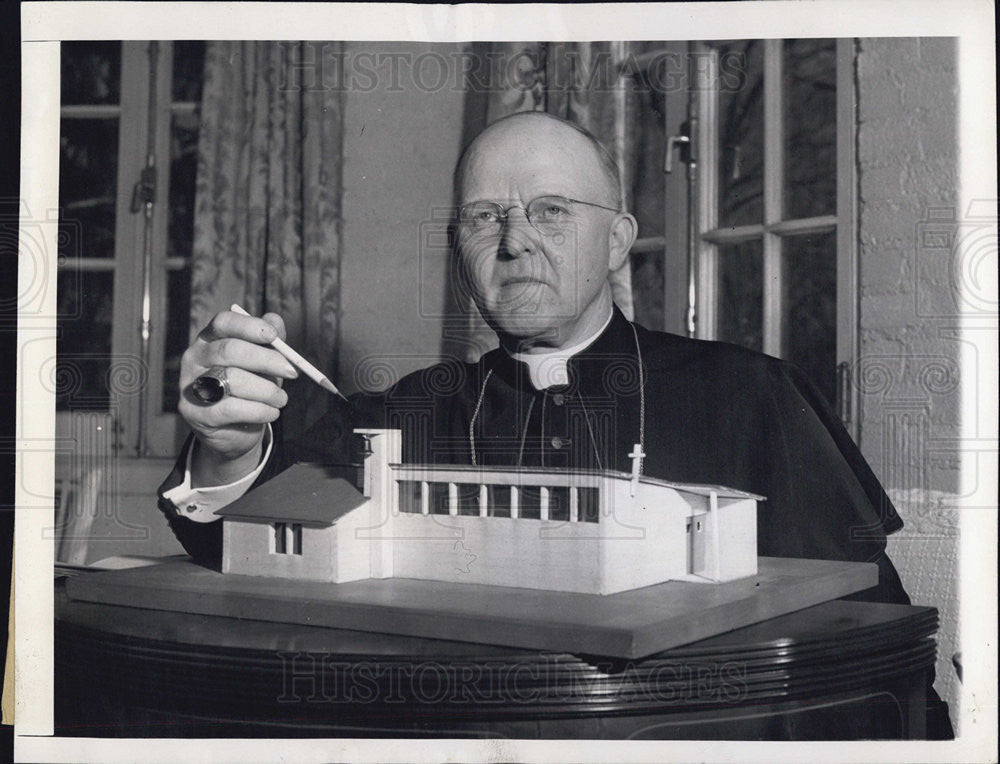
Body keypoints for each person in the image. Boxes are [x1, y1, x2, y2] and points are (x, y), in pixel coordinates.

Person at [159, 110, 952, 737]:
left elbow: (871, 651)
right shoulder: (412, 410)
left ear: (617, 242)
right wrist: (228, 445)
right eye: (483, 218)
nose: (515, 242)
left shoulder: (754, 394)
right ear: (457, 252)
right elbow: (239, 539)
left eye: (551, 211)